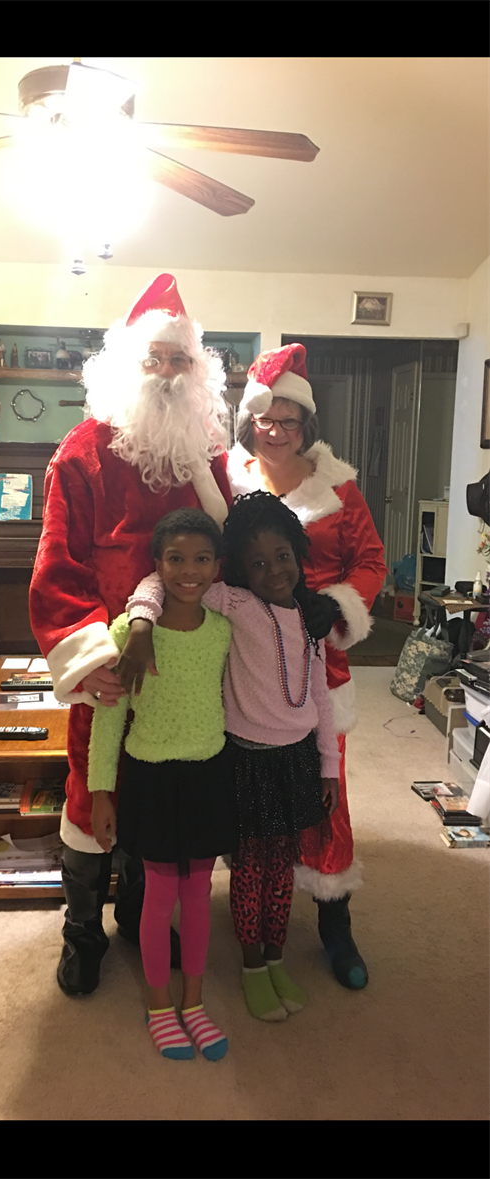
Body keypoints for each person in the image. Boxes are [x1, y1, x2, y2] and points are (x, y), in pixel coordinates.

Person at [28, 273, 233, 997]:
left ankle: (141, 911)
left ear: (197, 373)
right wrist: (91, 656)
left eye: (181, 360)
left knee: (163, 789)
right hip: (113, 658)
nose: (169, 373)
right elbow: (57, 564)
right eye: (156, 357)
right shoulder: (83, 451)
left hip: (188, 660)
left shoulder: (208, 459)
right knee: (94, 788)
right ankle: (82, 928)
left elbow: (233, 555)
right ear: (128, 365)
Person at [123, 491, 339, 1022]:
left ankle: (275, 955)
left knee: (282, 867)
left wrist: (329, 765)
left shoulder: (309, 618)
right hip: (246, 760)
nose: (274, 570)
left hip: (296, 761)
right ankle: (251, 965)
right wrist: (142, 623)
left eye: (282, 557)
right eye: (258, 563)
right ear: (239, 569)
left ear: (298, 554)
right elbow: (162, 581)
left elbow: (321, 695)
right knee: (248, 868)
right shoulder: (235, 604)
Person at [226, 344, 388, 990]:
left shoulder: (338, 487)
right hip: (245, 663)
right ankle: (253, 910)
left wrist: (337, 604)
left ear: (306, 424)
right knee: (251, 794)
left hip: (321, 666)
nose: (275, 431)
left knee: (324, 793)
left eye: (288, 420)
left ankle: (334, 921)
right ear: (249, 420)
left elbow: (371, 562)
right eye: (265, 418)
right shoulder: (226, 478)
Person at [88, 509, 236, 1061]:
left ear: (217, 567)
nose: (188, 571)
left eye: (201, 559)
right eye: (176, 558)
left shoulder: (223, 631)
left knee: (198, 895)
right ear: (157, 564)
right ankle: (158, 1005)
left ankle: (193, 1002)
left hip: (208, 775)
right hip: (150, 777)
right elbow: (109, 718)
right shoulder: (127, 633)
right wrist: (101, 793)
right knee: (159, 897)